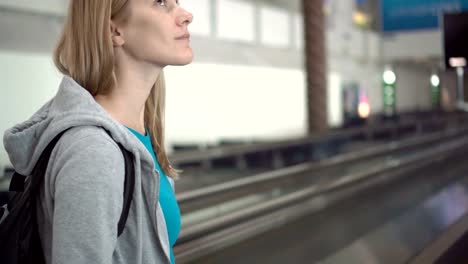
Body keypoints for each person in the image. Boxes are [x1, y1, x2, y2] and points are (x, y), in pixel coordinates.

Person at [3, 0, 193, 263]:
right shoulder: (93, 152)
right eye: (160, 2)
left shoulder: (139, 136)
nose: (186, 15)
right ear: (115, 31)